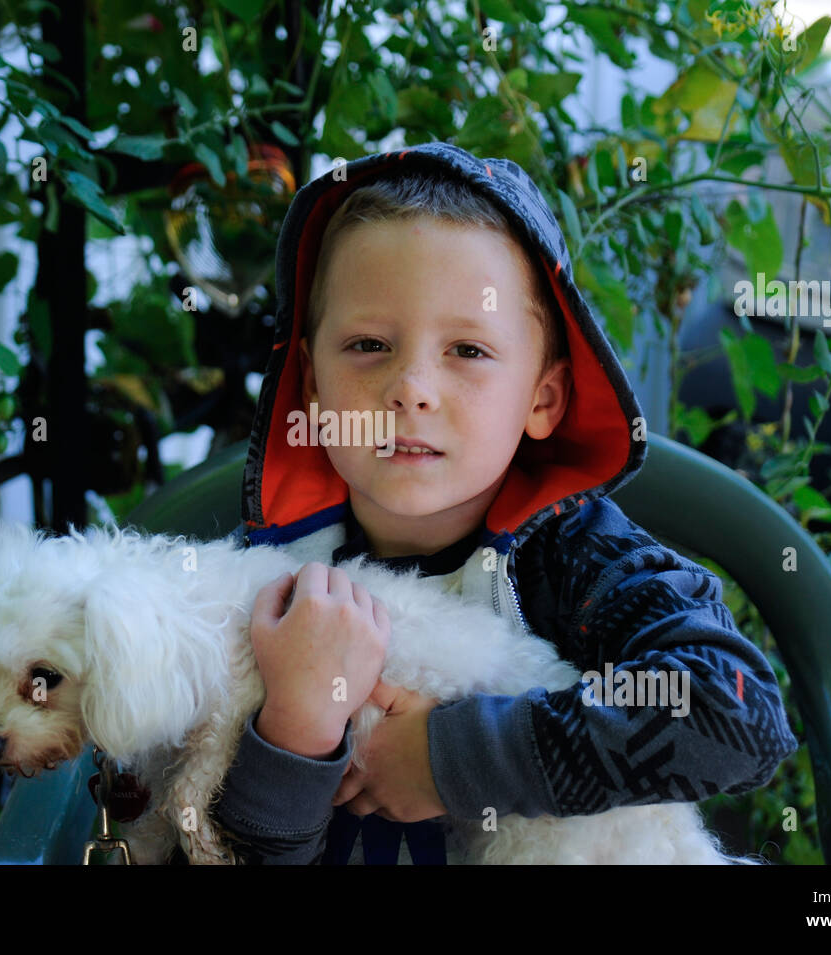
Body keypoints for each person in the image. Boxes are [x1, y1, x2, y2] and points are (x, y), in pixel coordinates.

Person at [208, 142, 798, 864]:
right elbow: (208, 845)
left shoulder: (585, 565)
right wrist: (294, 734)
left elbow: (734, 713)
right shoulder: (260, 587)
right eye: (368, 343)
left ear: (543, 398)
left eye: (468, 350)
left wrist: (449, 760)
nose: (412, 387)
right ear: (308, 383)